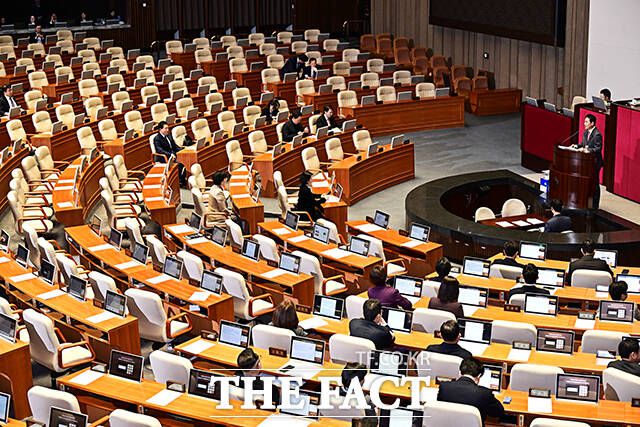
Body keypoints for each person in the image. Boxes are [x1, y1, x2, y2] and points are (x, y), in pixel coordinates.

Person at [437, 357, 505, 424]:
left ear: (460, 372)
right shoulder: (484, 393)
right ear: (479, 376)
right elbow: (498, 412)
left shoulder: (444, 387)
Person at [573, 114, 603, 209]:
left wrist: (588, 150)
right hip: (587, 162)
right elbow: (583, 144)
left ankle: (595, 205)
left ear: (592, 123)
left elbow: (598, 148)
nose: (584, 123)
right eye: (584, 121)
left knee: (595, 183)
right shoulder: (586, 132)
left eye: (586, 122)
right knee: (587, 182)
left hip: (595, 162)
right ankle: (587, 202)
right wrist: (577, 146)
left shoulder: (597, 134)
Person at [153, 121, 187, 186]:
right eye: (165, 128)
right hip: (163, 158)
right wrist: (170, 154)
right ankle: (178, 181)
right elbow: (160, 150)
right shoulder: (157, 138)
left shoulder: (169, 136)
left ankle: (180, 180)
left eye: (168, 128)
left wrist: (182, 150)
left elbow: (175, 146)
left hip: (172, 155)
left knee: (184, 162)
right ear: (160, 129)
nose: (167, 130)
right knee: (179, 165)